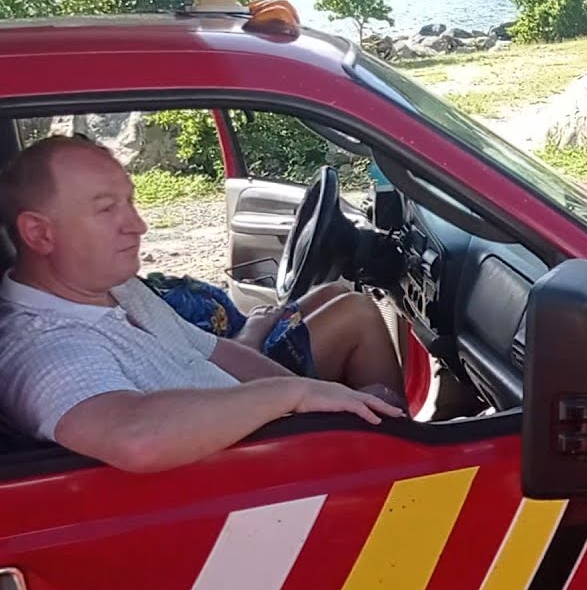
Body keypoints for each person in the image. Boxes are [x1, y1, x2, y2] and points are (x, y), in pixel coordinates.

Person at [0, 135, 405, 473]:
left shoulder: (115, 285)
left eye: (130, 202)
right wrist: (291, 396)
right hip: (250, 484)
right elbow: (136, 439)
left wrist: (314, 398)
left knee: (339, 306)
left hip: (270, 441)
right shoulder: (42, 350)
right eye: (106, 209)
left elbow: (214, 350)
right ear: (39, 233)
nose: (138, 225)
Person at [141, 273, 405, 400]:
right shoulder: (132, 313)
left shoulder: (137, 289)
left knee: (333, 291)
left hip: (246, 339)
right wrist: (254, 328)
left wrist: (255, 322)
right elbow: (211, 364)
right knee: (357, 313)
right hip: (243, 374)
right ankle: (394, 437)